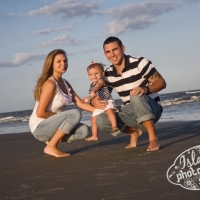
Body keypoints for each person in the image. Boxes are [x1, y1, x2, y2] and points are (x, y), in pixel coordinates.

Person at [92, 36, 166, 152]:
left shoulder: (140, 63)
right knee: (101, 120)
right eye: (108, 52)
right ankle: (134, 132)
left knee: (135, 95)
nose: (112, 54)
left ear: (123, 48)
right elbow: (101, 93)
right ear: (105, 54)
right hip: (131, 113)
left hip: (152, 109)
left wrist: (145, 89)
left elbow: (161, 82)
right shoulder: (109, 74)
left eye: (115, 49)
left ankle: (153, 138)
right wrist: (94, 101)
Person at [29, 49, 94, 158]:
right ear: (51, 64)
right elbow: (40, 113)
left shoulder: (65, 83)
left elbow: (80, 103)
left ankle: (51, 141)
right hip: (39, 127)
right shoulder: (50, 83)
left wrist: (101, 110)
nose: (63, 64)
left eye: (65, 61)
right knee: (74, 114)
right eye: (59, 61)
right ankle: (51, 146)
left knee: (84, 131)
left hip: (53, 126)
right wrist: (63, 119)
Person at [82, 62, 120, 141]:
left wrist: (94, 90)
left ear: (102, 74)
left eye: (96, 73)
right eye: (91, 74)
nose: (94, 76)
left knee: (110, 111)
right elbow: (93, 96)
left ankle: (114, 125)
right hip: (99, 105)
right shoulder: (91, 85)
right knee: (93, 119)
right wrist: (88, 99)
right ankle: (95, 136)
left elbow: (98, 86)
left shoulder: (102, 81)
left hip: (107, 101)